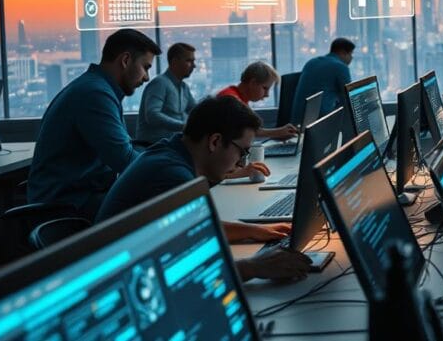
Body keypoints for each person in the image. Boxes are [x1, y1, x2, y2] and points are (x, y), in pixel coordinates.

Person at [98, 96, 312, 282]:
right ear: (215, 142)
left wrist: (256, 231)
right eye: (242, 152)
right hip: (116, 287)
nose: (242, 162)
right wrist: (256, 267)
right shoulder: (172, 176)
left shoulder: (173, 153)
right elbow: (186, 269)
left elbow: (194, 227)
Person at [28, 29, 161, 219]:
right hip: (67, 205)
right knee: (157, 208)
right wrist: (168, 167)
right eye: (145, 67)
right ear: (125, 60)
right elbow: (124, 159)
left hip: (78, 195)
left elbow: (124, 151)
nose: (147, 77)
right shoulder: (94, 94)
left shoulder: (97, 88)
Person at [217, 62, 298, 140]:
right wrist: (278, 132)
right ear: (253, 83)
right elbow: (247, 131)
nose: (267, 95)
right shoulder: (231, 99)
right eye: (265, 88)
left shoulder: (238, 98)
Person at [136, 42, 197, 144]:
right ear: (174, 62)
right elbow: (152, 115)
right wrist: (183, 126)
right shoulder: (160, 83)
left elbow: (195, 110)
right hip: (152, 147)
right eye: (189, 61)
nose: (194, 66)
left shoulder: (184, 88)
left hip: (170, 146)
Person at [292, 37, 354, 122]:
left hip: (297, 122)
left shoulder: (311, 62)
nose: (351, 58)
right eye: (351, 54)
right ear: (343, 53)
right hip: (319, 123)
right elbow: (349, 99)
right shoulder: (340, 67)